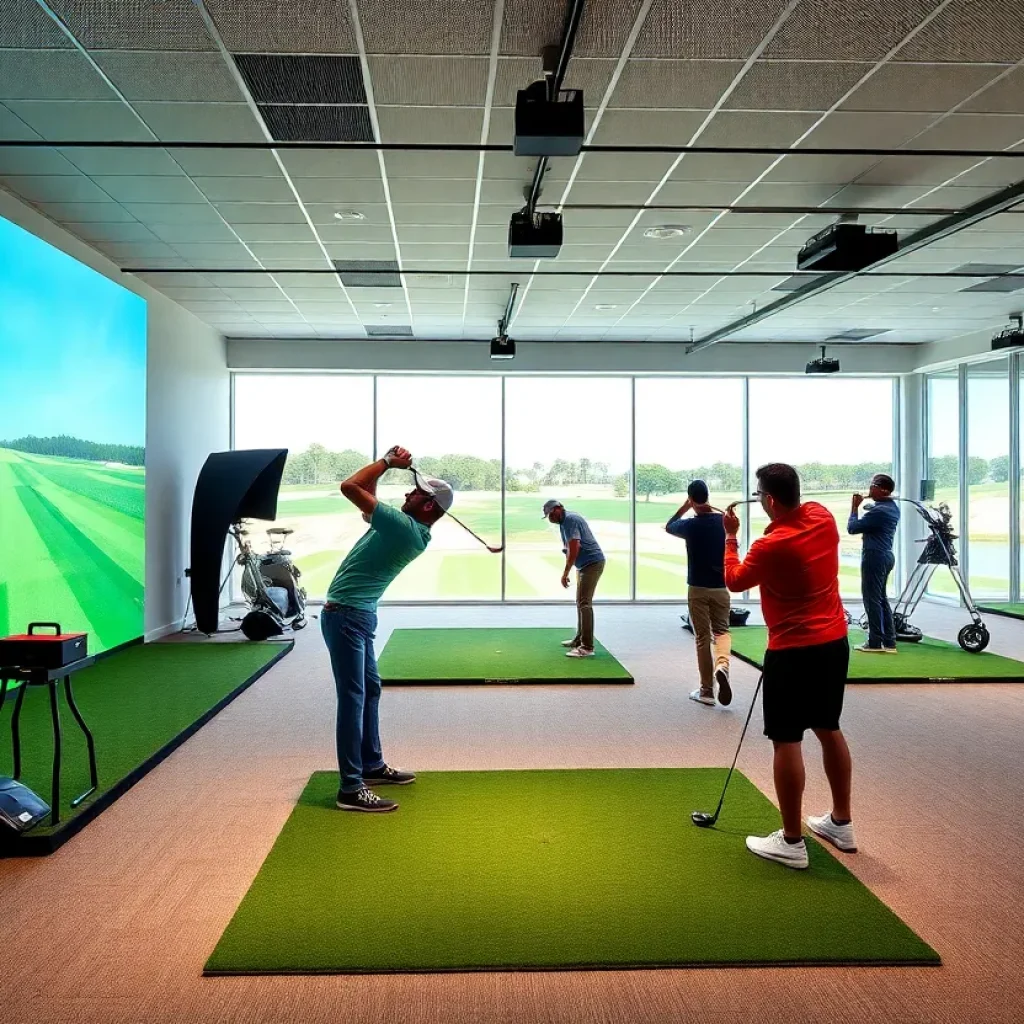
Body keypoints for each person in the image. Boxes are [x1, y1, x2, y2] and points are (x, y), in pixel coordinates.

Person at [723, 463, 856, 870]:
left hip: (792, 651)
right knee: (828, 727)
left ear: (768, 499)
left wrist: (731, 537)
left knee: (786, 740)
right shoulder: (822, 515)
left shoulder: (771, 544)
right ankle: (841, 823)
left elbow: (735, 581)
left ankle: (792, 842)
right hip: (834, 643)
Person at [322, 447, 453, 813]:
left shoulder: (403, 527)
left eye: (416, 492)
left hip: (352, 617)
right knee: (359, 694)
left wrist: (386, 464)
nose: (408, 492)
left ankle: (359, 778)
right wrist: (386, 466)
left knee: (360, 695)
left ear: (428, 506)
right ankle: (359, 776)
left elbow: (350, 486)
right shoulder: (411, 530)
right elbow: (368, 499)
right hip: (349, 615)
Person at [665, 479, 732, 707]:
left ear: (691, 499)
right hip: (721, 587)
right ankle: (722, 665)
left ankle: (706, 691)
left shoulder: (690, 526)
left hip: (697, 587)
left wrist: (685, 507)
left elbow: (669, 525)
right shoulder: (723, 522)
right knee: (722, 632)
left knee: (703, 637)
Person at [542, 499, 605, 658]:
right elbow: (570, 548)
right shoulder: (564, 522)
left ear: (558, 509)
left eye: (550, 514)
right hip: (584, 565)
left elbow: (575, 547)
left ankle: (587, 647)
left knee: (585, 603)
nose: (550, 518)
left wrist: (565, 572)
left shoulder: (570, 519)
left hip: (592, 563)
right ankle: (579, 639)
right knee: (581, 602)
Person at [849, 474, 900, 654]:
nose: (870, 489)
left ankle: (874, 642)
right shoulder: (891, 507)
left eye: (873, 486)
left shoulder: (880, 511)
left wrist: (854, 507)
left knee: (871, 599)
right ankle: (889, 642)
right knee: (881, 599)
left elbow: (853, 528)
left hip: (874, 557)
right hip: (885, 556)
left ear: (883, 489)